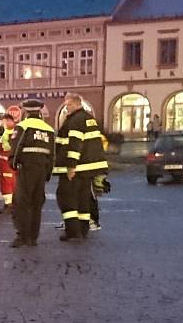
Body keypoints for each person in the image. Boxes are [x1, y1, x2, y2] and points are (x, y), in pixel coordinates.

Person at [54, 93, 108, 240]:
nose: (66, 108)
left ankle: (72, 231)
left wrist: (71, 166)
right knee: (83, 200)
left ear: (75, 104)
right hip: (88, 169)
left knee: (66, 198)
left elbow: (75, 144)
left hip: (76, 168)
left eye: (68, 105)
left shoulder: (75, 120)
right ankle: (83, 230)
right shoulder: (89, 119)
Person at [8, 99, 54, 247]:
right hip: (41, 170)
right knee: (36, 203)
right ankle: (33, 237)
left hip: (26, 169)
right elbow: (52, 154)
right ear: (39, 111)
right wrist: (48, 172)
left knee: (21, 202)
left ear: (26, 112)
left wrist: (13, 164)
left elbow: (16, 147)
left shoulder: (23, 126)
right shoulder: (48, 129)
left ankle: (22, 235)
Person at [0, 113, 18, 213]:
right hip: (6, 163)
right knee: (9, 183)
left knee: (7, 184)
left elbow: (9, 147)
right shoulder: (8, 132)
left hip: (7, 164)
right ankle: (10, 204)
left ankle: (9, 205)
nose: (3, 123)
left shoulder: (12, 133)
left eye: (4, 121)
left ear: (10, 121)